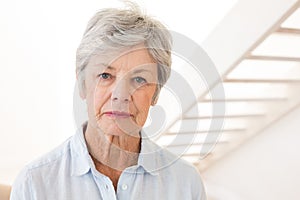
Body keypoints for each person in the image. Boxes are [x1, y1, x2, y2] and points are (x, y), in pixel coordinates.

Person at [10, 3, 206, 200]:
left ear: (156, 93)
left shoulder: (186, 184)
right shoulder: (34, 184)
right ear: (82, 85)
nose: (120, 95)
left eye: (139, 79)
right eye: (105, 75)